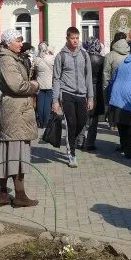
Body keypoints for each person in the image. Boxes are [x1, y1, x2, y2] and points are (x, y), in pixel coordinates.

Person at [0, 29, 40, 208]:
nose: (21, 43)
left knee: (10, 153)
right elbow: (16, 85)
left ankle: (2, 194)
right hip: (15, 111)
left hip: (16, 110)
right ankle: (18, 195)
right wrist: (34, 86)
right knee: (15, 154)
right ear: (8, 43)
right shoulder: (7, 59)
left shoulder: (11, 58)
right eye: (18, 40)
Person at [51, 27, 94, 167]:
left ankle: (70, 141)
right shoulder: (61, 56)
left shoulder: (84, 55)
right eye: (72, 38)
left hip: (81, 94)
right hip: (66, 93)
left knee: (82, 122)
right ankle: (72, 154)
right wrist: (55, 100)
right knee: (71, 123)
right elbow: (56, 78)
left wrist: (91, 97)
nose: (75, 41)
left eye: (77, 38)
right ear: (67, 39)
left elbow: (88, 76)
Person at [81, 39, 106, 152]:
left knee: (82, 116)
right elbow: (104, 76)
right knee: (94, 118)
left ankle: (80, 140)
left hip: (84, 88)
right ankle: (90, 142)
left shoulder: (83, 58)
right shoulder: (102, 59)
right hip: (97, 89)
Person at [32, 43, 55, 129]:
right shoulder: (51, 58)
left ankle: (41, 122)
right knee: (47, 104)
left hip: (40, 84)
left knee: (40, 104)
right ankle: (46, 122)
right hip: (49, 84)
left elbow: (33, 71)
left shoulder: (36, 59)